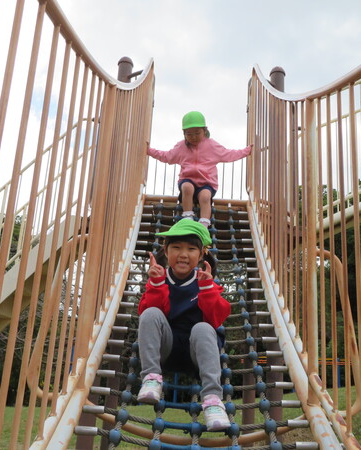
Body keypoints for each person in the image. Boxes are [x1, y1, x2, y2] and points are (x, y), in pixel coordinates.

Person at [136, 220, 232, 431]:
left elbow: (216, 318)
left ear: (201, 254)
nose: (183, 254)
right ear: (166, 251)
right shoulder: (159, 278)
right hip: (165, 350)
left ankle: (213, 400)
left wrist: (207, 289)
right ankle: (151, 378)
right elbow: (147, 316)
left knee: (204, 328)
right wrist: (156, 285)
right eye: (177, 247)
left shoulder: (205, 281)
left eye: (191, 249)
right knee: (150, 313)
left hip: (197, 354)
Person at [147, 111, 252, 228]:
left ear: (205, 131)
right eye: (189, 134)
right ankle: (187, 216)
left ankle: (204, 224)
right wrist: (149, 151)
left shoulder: (212, 145)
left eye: (197, 133)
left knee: (205, 197)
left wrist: (246, 151)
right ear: (184, 134)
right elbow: (167, 156)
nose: (194, 137)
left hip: (207, 183)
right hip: (187, 180)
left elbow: (228, 154)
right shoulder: (181, 146)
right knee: (187, 187)